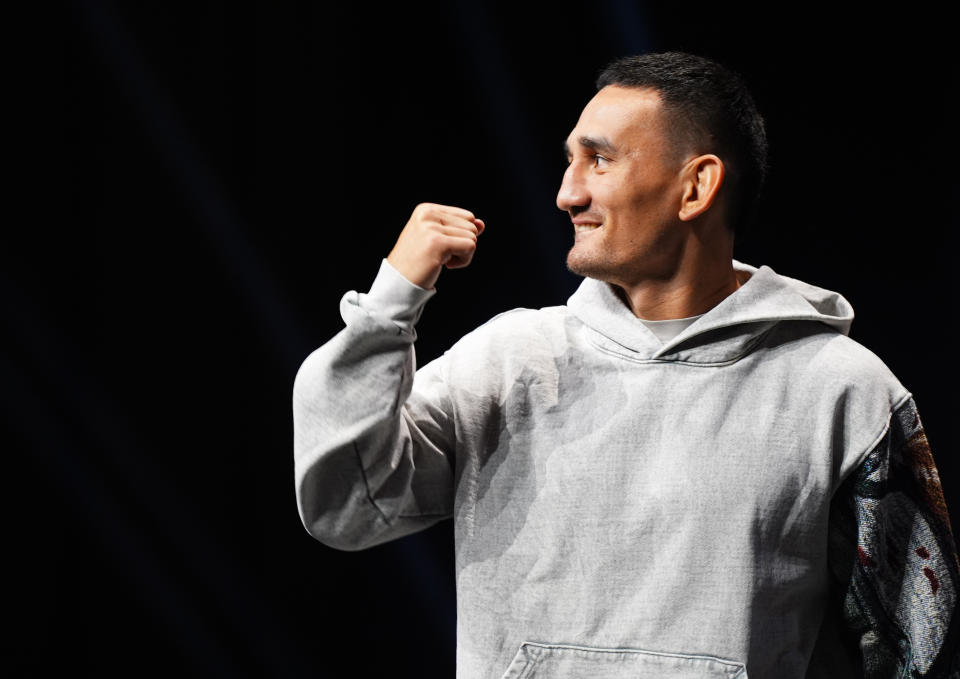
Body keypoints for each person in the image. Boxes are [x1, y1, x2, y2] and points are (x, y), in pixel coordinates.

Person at [292, 52, 958, 678]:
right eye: (567, 161)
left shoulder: (842, 391)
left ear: (696, 185)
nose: (566, 194)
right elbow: (347, 505)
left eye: (598, 160)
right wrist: (388, 307)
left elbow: (920, 648)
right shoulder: (507, 360)